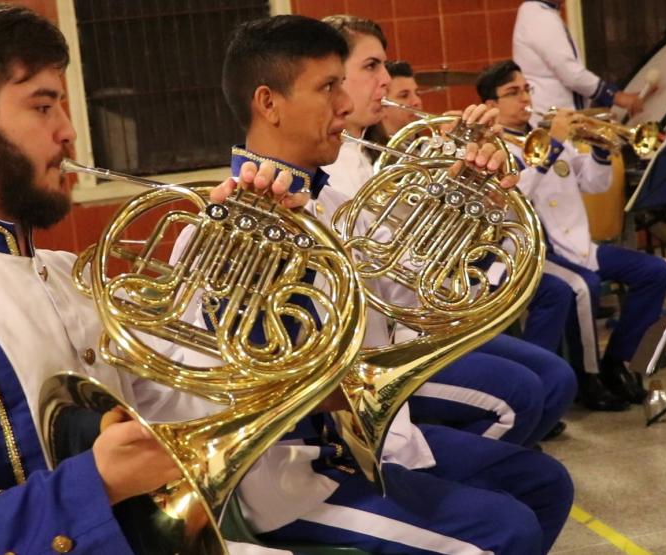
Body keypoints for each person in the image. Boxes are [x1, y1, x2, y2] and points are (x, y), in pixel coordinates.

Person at [0, 4, 294, 554]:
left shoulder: (72, 275)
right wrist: (96, 483)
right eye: (43, 106)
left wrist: (239, 268)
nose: (69, 132)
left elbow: (173, 413)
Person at [215, 14, 574, 554]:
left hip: (366, 445)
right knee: (507, 527)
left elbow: (403, 303)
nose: (345, 103)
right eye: (327, 87)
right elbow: (229, 382)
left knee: (545, 484)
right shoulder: (227, 224)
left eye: (343, 82)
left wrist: (471, 206)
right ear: (269, 104)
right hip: (292, 477)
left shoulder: (330, 200)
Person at [321, 14, 576, 445]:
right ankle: (464, 480)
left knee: (555, 376)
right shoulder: (333, 169)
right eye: (371, 66)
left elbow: (410, 244)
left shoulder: (366, 156)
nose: (384, 78)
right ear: (331, 78)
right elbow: (394, 278)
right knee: (527, 393)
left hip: (413, 324)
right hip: (385, 345)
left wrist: (471, 191)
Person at [477, 60, 666, 410]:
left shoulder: (550, 137)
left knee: (658, 271)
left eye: (526, 89)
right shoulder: (496, 148)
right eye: (512, 93)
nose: (524, 98)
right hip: (538, 251)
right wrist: (552, 146)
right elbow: (517, 195)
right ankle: (588, 377)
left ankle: (618, 361)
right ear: (491, 105)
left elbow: (594, 183)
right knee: (583, 286)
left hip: (581, 245)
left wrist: (601, 147)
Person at [512, 0, 647, 120]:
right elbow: (571, 74)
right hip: (553, 119)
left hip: (553, 116)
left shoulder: (537, 12)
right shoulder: (540, 17)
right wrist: (617, 97)